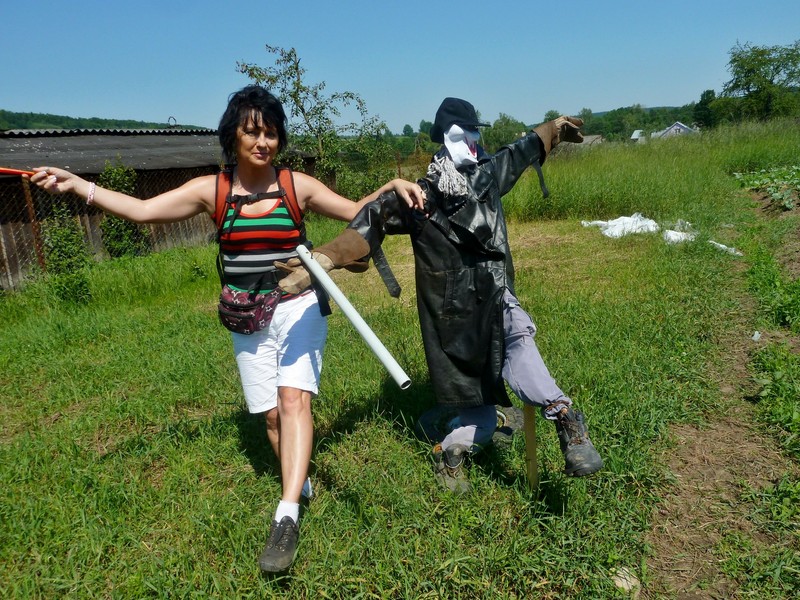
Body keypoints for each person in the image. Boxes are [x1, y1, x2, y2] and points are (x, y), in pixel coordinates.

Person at [30, 85, 426, 571]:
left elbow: (355, 211)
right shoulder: (213, 190)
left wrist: (391, 187)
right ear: (233, 136)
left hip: (298, 305)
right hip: (245, 315)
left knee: (294, 400)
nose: (263, 142)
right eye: (252, 132)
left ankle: (286, 515)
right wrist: (78, 186)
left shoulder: (295, 185)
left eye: (271, 133)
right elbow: (143, 210)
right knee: (272, 418)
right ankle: (298, 479)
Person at [277, 97, 603, 494]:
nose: (473, 141)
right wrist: (326, 258)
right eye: (464, 134)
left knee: (519, 338)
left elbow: (518, 151)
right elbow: (370, 220)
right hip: (453, 315)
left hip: (496, 295)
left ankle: (566, 418)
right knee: (481, 418)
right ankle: (450, 453)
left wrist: (552, 130)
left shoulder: (487, 176)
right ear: (446, 139)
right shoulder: (419, 197)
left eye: (476, 133)